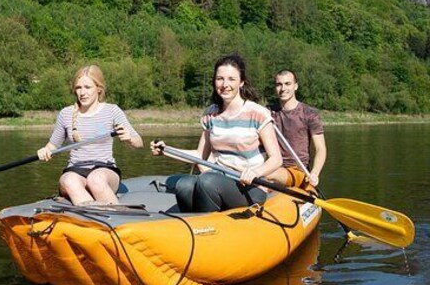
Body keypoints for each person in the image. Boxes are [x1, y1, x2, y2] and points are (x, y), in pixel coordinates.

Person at [151, 54, 282, 212]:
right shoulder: (210, 114)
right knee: (184, 185)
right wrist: (165, 150)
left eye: (231, 79)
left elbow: (276, 159)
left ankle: (210, 228)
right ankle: (194, 226)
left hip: (249, 187)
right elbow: (200, 156)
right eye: (220, 78)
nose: (225, 84)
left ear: (241, 82)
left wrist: (255, 172)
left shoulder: (258, 113)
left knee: (207, 181)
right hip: (217, 179)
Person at [37, 65, 143, 205]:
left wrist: (129, 139)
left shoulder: (112, 111)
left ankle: (116, 219)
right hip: (75, 170)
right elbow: (52, 146)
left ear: (98, 89)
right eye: (78, 88)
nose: (82, 93)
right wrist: (44, 150)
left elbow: (139, 143)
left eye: (87, 87)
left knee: (95, 179)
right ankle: (90, 217)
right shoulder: (66, 114)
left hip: (105, 170)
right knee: (69, 180)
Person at [269, 69, 327, 190]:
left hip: (298, 170)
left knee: (266, 174)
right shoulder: (268, 113)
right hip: (274, 166)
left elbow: (321, 149)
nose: (283, 88)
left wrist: (315, 173)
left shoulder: (309, 114)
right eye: (279, 84)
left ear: (296, 86)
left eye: (287, 84)